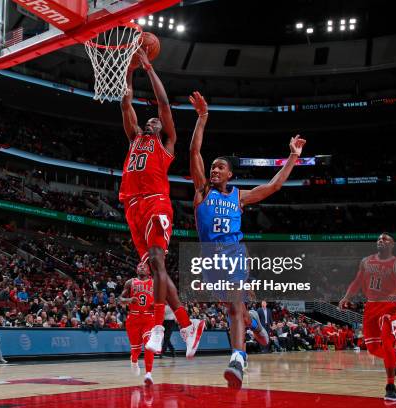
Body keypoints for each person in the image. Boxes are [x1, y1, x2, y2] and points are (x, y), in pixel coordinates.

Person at [188, 91, 305, 388]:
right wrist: (202, 119)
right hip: (209, 259)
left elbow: (275, 185)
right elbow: (193, 153)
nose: (214, 169)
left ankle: (237, 359)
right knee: (238, 310)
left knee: (233, 307)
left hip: (235, 253)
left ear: (230, 174)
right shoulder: (202, 192)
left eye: (220, 167)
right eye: (212, 166)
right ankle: (257, 326)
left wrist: (293, 156)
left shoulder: (240, 196)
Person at [120, 49, 203, 357]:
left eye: (157, 121)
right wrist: (128, 70)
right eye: (150, 119)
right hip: (132, 206)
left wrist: (148, 68)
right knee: (155, 269)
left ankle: (158, 328)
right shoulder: (134, 138)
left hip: (156, 202)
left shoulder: (166, 144)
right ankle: (185, 324)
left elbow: (165, 104)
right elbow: (125, 101)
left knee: (157, 261)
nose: (153, 119)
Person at [339, 233, 396, 401]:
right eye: (379, 238)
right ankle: (395, 356)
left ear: (392, 244)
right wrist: (347, 297)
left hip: (389, 307)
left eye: (385, 239)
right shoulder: (365, 261)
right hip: (371, 307)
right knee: (372, 348)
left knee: (386, 343)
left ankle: (390, 385)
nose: (381, 240)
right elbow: (357, 282)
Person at [119, 263, 155, 385]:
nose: (141, 267)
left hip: (148, 317)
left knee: (149, 344)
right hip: (133, 318)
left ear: (149, 270)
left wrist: (155, 305)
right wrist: (129, 300)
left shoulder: (154, 283)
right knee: (136, 349)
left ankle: (148, 374)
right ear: (136, 269)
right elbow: (120, 299)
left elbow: (162, 300)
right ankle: (133, 360)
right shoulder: (130, 282)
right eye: (139, 266)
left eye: (144, 266)